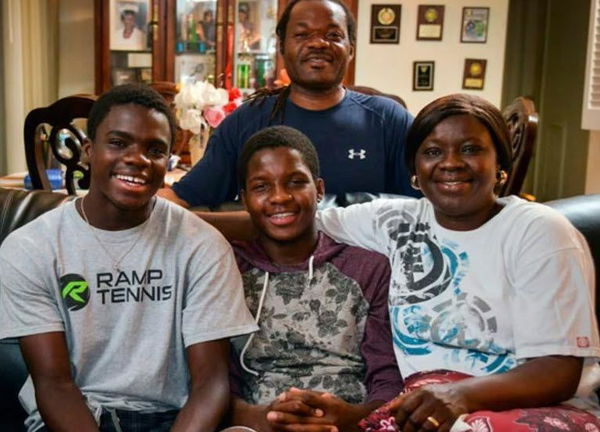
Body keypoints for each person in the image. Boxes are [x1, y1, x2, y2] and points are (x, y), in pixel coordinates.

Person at [313, 94, 600, 431]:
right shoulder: (396, 222)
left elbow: (558, 371)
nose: (450, 163)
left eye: (470, 149)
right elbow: (291, 219)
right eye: (433, 152)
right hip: (428, 409)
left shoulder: (540, 233)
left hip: (539, 408)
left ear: (500, 165)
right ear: (415, 171)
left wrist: (458, 395)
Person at [0, 84, 258, 432]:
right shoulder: (31, 247)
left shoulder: (202, 245)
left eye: (154, 149)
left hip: (174, 421)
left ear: (167, 161)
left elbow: (209, 384)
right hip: (77, 416)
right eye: (119, 143)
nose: (137, 159)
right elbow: (54, 385)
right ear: (89, 151)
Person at [222, 126, 402, 432]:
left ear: (319, 190)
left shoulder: (368, 268)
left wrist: (353, 418)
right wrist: (266, 419)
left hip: (349, 419)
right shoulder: (226, 268)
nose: (280, 197)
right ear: (244, 198)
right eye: (261, 187)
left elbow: (387, 377)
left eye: (295, 182)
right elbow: (216, 380)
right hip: (254, 422)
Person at [159, 0, 416, 209]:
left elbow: (427, 207)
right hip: (267, 269)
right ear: (282, 47)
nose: (318, 43)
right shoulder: (246, 121)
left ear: (350, 49)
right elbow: (188, 196)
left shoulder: (389, 120)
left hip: (372, 269)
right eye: (302, 34)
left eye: (333, 35)